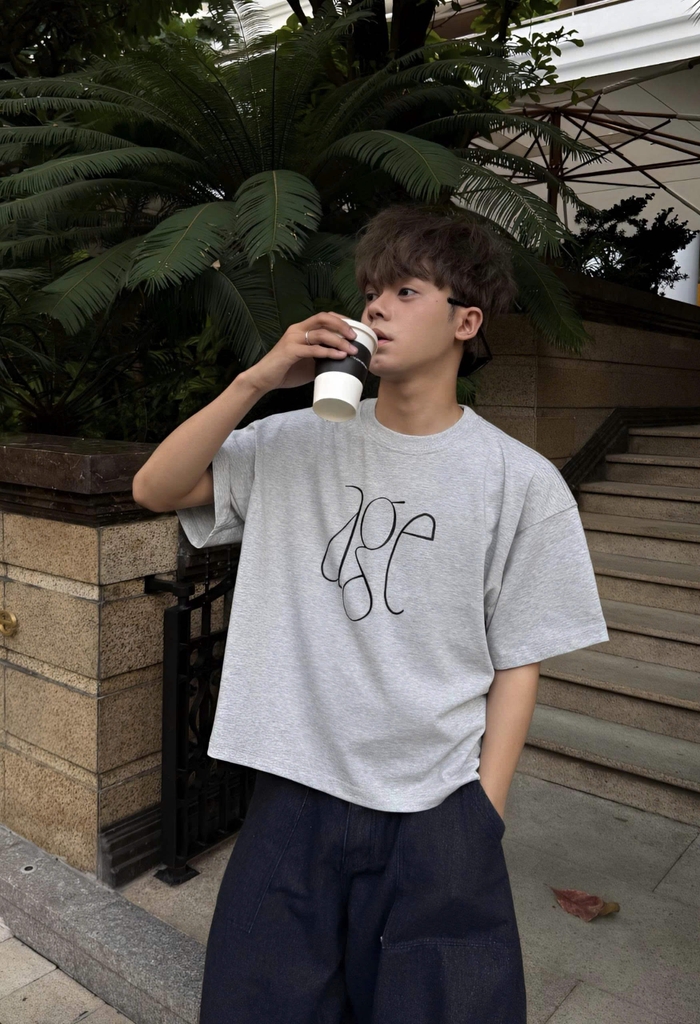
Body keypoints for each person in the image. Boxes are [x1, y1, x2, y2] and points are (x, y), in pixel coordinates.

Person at [132, 202, 608, 1024]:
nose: (377, 308)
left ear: (466, 321)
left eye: (405, 291)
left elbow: (518, 659)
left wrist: (483, 814)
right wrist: (255, 381)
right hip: (292, 793)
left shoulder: (521, 483)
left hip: (435, 807)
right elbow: (155, 488)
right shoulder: (291, 442)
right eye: (371, 292)